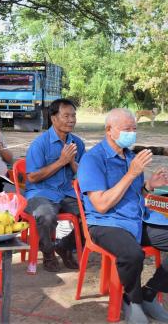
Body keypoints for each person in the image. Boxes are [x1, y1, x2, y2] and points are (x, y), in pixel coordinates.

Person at [78, 108, 168, 323]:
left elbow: (134, 195)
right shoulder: (93, 159)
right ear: (109, 130)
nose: (132, 133)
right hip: (105, 223)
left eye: (134, 128)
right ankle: (132, 301)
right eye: (127, 129)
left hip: (135, 219)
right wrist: (132, 174)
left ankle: (149, 293)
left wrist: (148, 186)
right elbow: (100, 205)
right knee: (132, 254)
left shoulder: (129, 156)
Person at [24, 99, 85, 272]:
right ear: (53, 118)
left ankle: (65, 246)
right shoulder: (40, 144)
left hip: (67, 192)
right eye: (66, 116)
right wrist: (61, 162)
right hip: (40, 193)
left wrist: (72, 162)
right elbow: (33, 177)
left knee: (94, 212)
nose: (71, 120)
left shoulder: (77, 143)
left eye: (73, 116)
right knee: (46, 216)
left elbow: (85, 176)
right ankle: (48, 252)